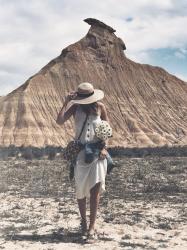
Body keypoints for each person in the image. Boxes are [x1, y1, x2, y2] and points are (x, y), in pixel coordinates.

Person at [56, 82, 109, 239]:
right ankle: (84, 222)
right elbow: (59, 121)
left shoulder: (100, 107)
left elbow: (107, 130)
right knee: (80, 190)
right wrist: (66, 102)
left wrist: (105, 147)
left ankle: (92, 227)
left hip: (97, 153)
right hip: (80, 153)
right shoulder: (75, 107)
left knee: (95, 191)